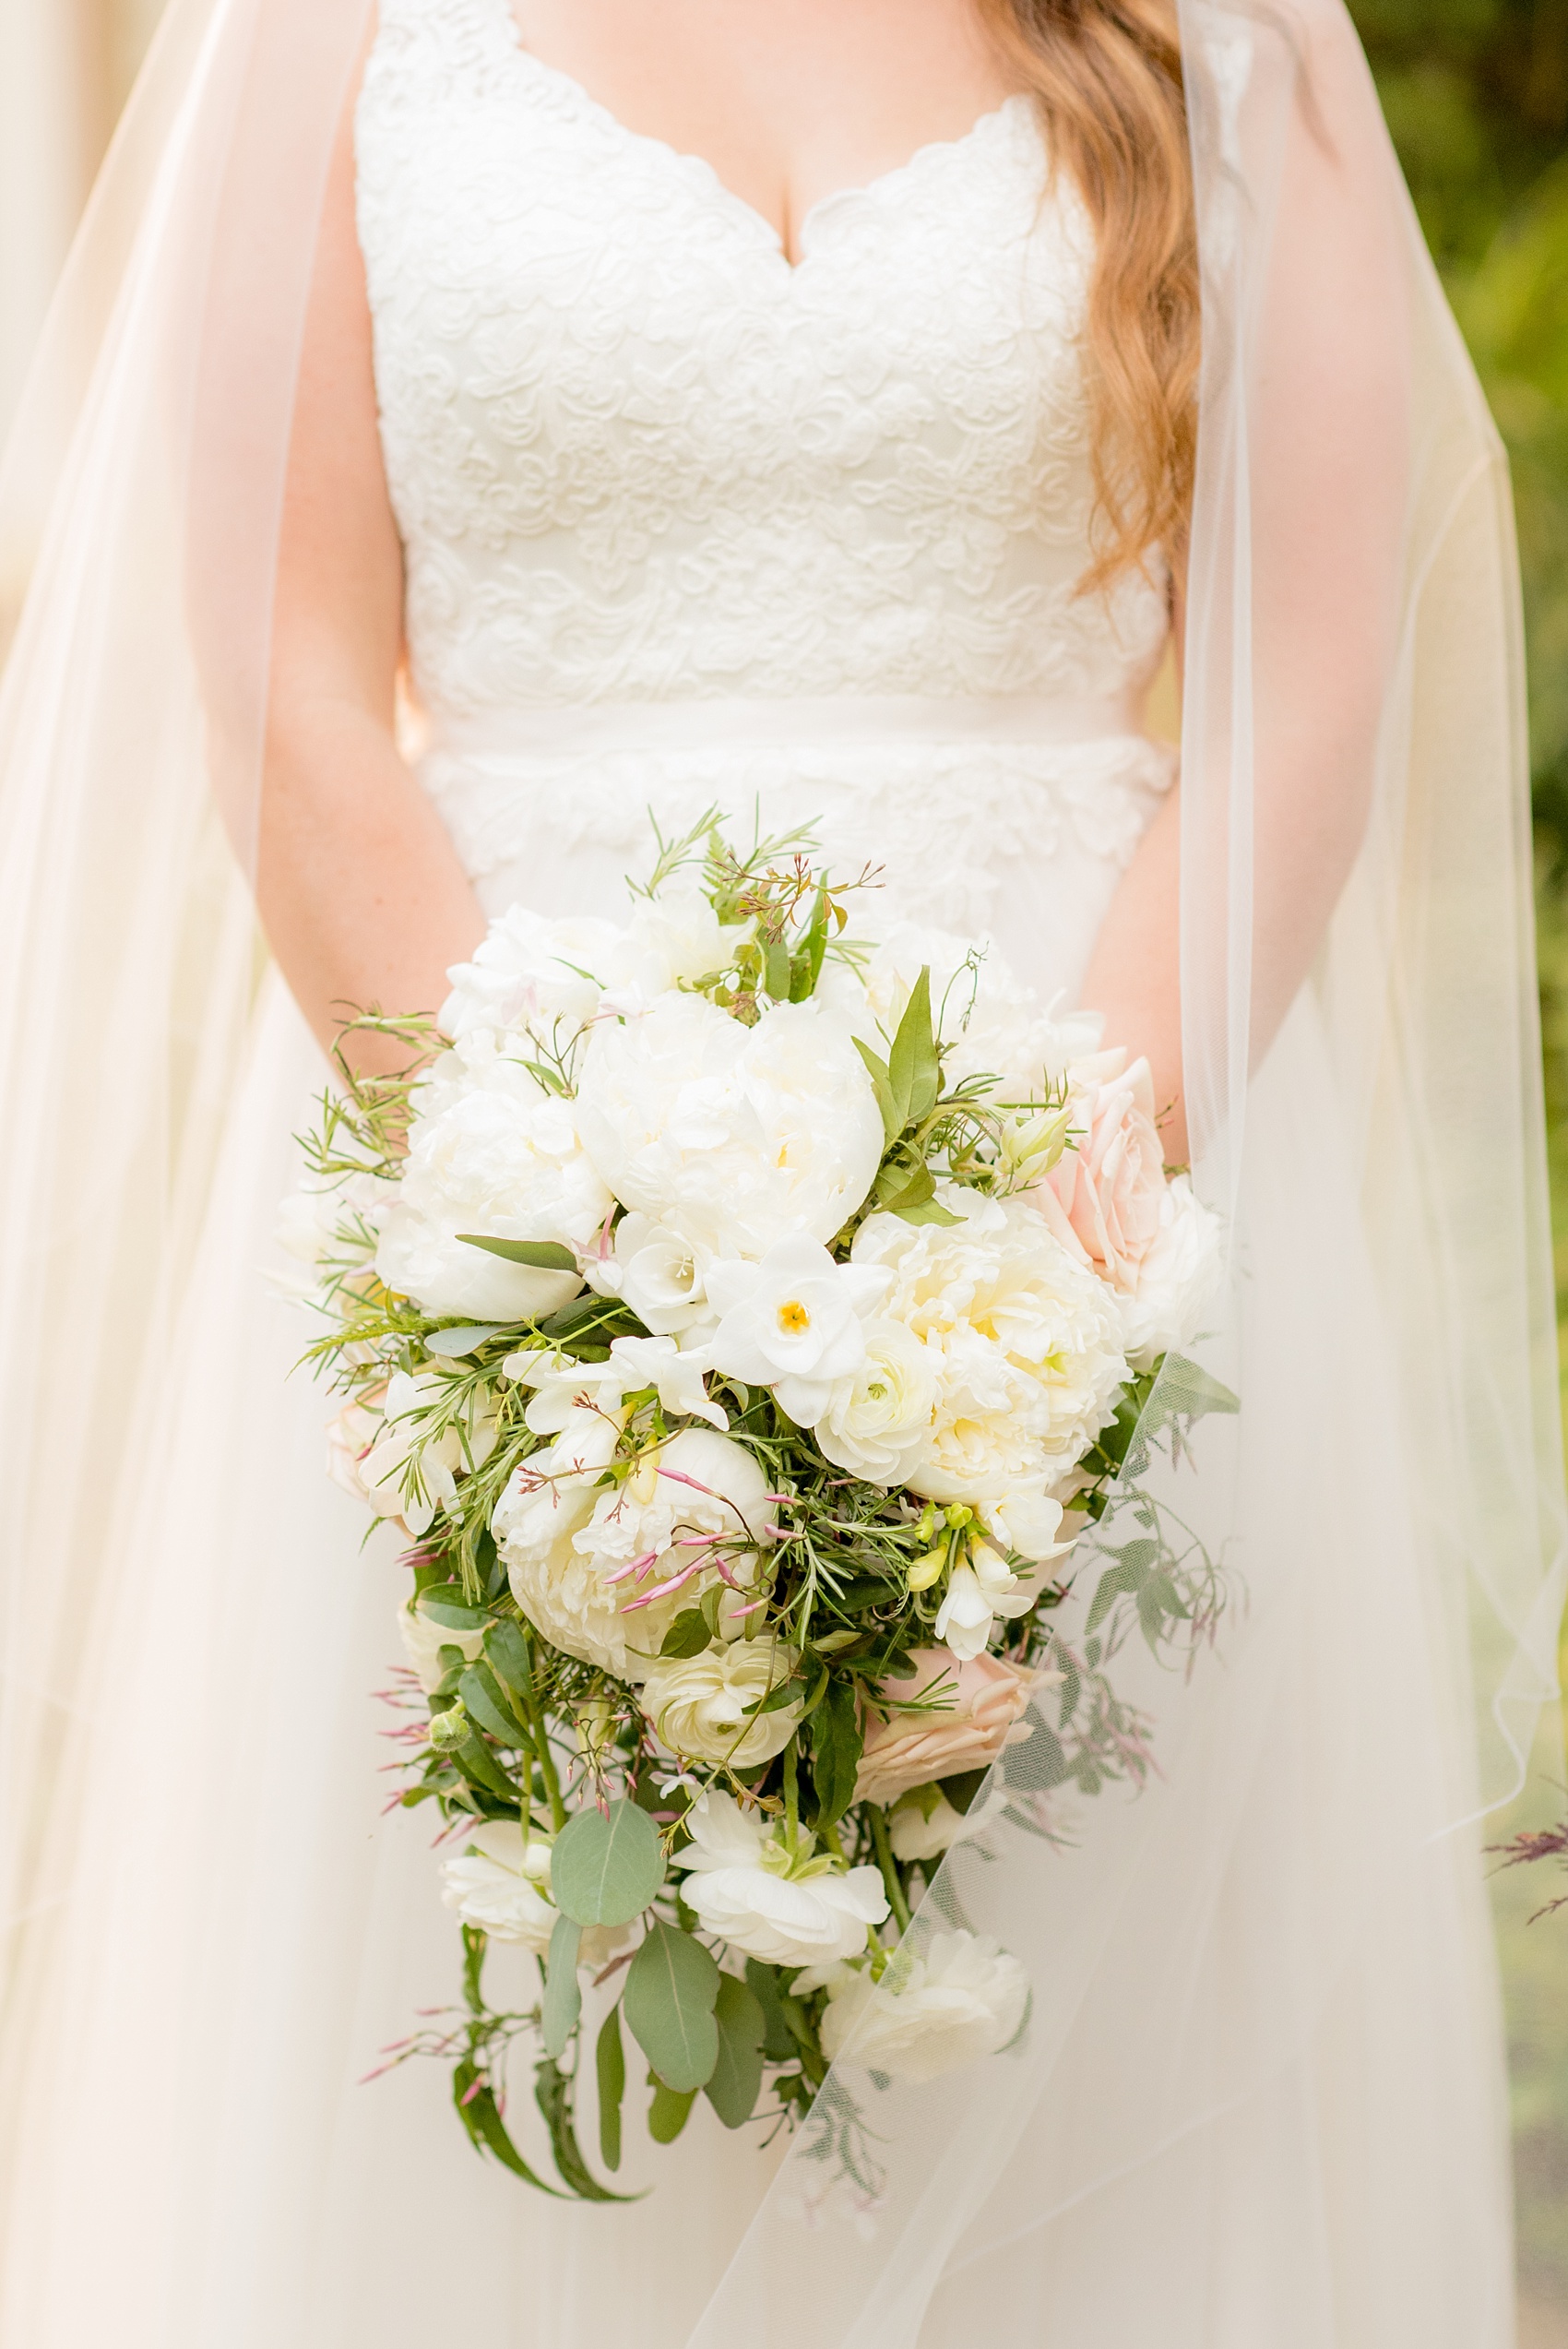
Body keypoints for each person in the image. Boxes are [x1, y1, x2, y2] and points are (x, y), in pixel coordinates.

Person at [0, 1, 1561, 2343]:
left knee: (1077, 2072)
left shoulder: (1219, 37)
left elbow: (1301, 693)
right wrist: (563, 1292)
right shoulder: (327, 32)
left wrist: (1010, 1300)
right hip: (484, 1214)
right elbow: (287, 685)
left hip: (1099, 1194)